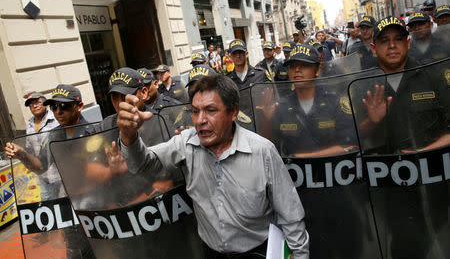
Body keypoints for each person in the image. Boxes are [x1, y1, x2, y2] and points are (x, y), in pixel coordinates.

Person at [115, 74, 310, 258]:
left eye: (211, 110)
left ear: (233, 112)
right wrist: (129, 135)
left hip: (259, 252)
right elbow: (141, 165)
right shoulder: (186, 144)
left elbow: (291, 215)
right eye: (195, 111)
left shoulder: (262, 151)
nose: (200, 121)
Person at [5, 84, 95, 258]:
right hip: (67, 207)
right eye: (54, 106)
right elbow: (40, 166)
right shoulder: (54, 136)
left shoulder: (92, 132)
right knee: (74, 252)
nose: (58, 111)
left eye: (64, 106)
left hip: (92, 206)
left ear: (79, 106)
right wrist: (22, 154)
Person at [358, 16, 450, 153]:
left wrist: (418, 154)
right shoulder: (362, 84)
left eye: (398, 39)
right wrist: (371, 121)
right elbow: (350, 140)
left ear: (408, 43)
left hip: (431, 168)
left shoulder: (433, 75)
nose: (392, 46)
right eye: (384, 41)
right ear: (373, 48)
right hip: (381, 170)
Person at [257, 44, 357, 158]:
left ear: (318, 69)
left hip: (334, 169)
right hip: (293, 173)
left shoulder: (335, 102)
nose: (297, 70)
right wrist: (266, 120)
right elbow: (269, 147)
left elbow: (349, 145)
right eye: (293, 66)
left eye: (304, 65)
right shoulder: (280, 106)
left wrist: (301, 157)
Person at [23, 93, 59, 200]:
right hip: (42, 174)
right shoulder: (29, 124)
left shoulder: (56, 119)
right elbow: (29, 148)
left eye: (37, 102)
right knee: (47, 200)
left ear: (45, 103)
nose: (34, 106)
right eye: (31, 104)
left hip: (58, 172)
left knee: (64, 202)